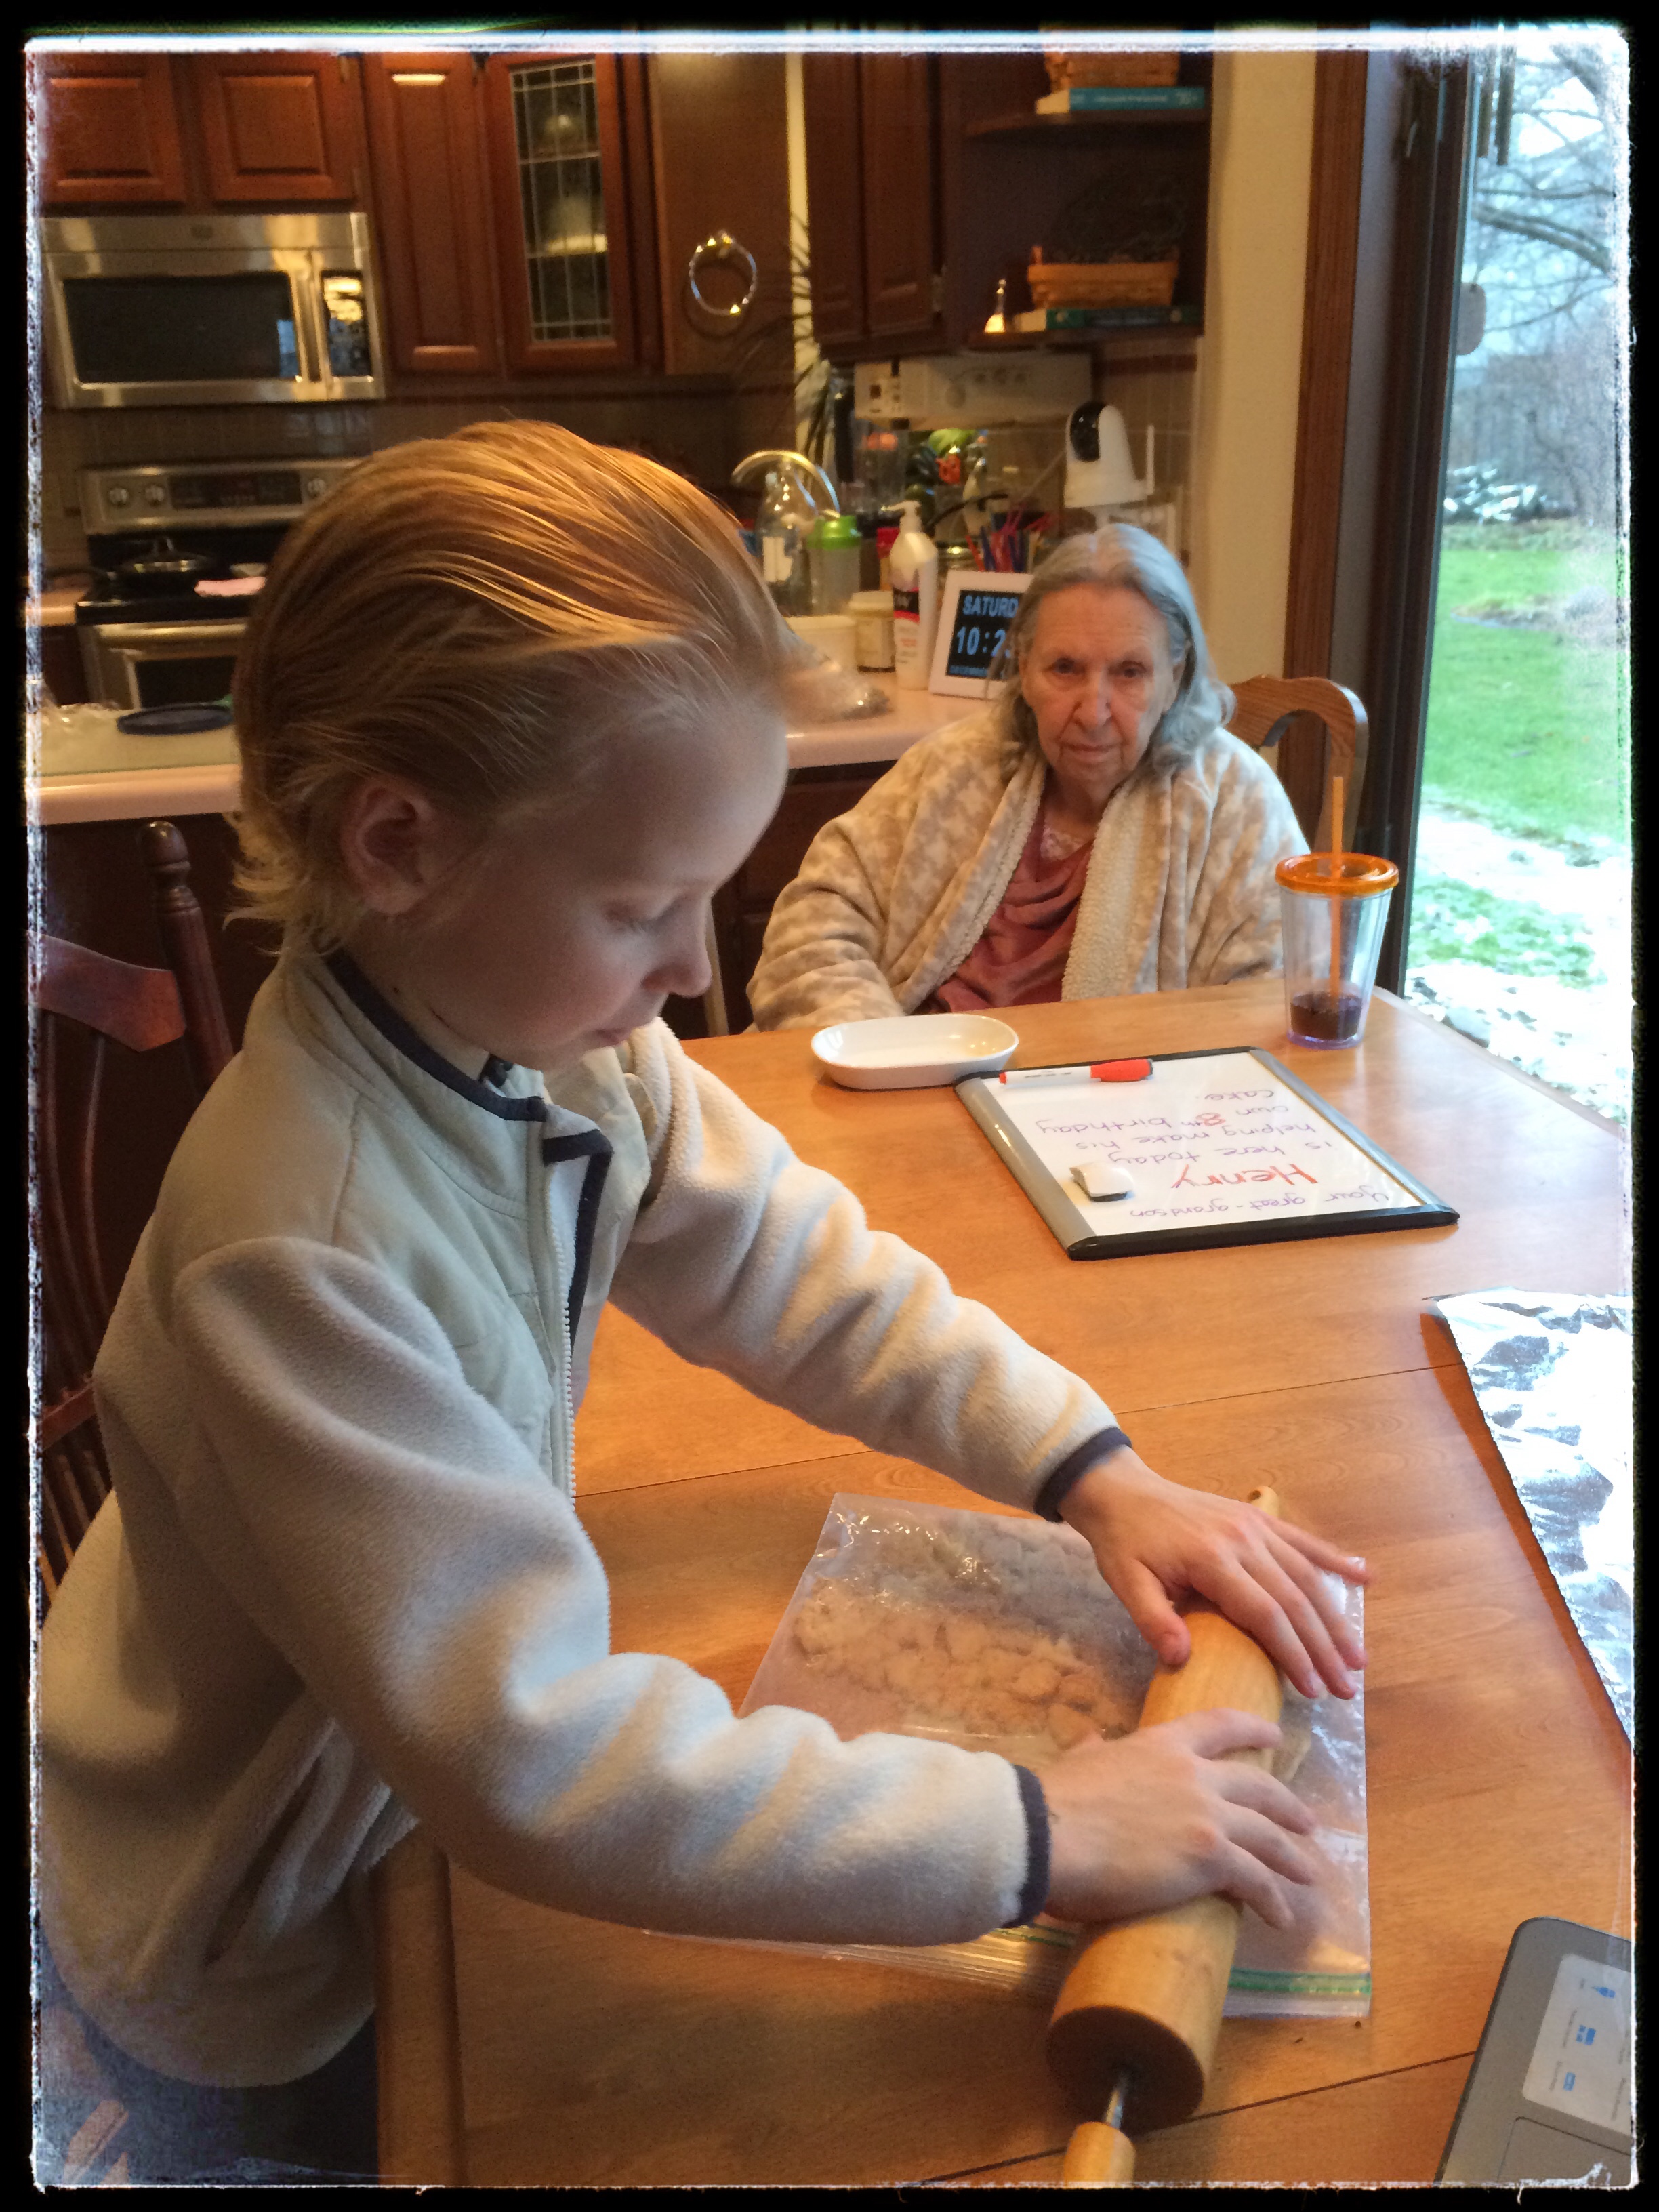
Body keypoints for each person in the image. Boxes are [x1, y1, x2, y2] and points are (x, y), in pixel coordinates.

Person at [35, 425, 1366, 2181]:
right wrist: (1041, 1828)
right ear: (400, 844)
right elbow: (541, 1760)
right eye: (641, 903)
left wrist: (1090, 1469)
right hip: (245, 1927)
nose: (691, 967)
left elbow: (802, 1272)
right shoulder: (296, 1249)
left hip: (383, 1786)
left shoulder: (545, 1036)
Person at [746, 525, 1307, 1032]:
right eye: (1065, 668)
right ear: (1024, 667)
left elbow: (1274, 1000)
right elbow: (811, 930)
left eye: (1130, 672)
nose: (1094, 712)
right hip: (914, 1079)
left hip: (1124, 1099)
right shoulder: (954, 768)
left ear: (1173, 679)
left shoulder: (1235, 801)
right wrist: (880, 1051)